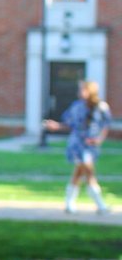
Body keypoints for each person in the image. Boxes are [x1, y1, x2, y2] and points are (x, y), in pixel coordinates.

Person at [46, 80, 112, 213]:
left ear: (90, 91)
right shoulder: (76, 106)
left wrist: (99, 139)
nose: (80, 92)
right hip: (77, 145)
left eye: (83, 89)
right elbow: (68, 124)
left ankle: (69, 204)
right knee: (89, 172)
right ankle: (100, 205)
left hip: (91, 145)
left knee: (78, 173)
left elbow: (106, 124)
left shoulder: (101, 106)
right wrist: (56, 126)